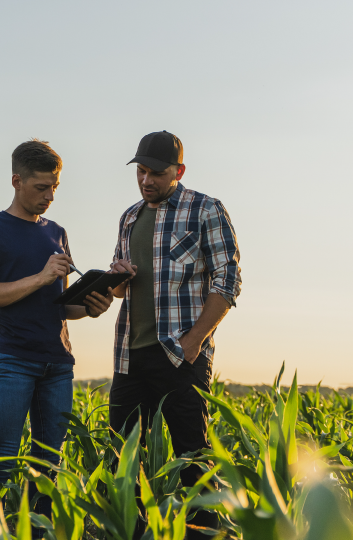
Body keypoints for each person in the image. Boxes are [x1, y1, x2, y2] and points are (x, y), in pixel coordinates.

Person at [108, 131, 241, 538]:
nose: (147, 181)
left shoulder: (205, 209)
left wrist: (194, 341)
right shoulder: (129, 217)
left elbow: (228, 279)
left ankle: (203, 534)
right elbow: (117, 289)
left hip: (181, 356)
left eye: (157, 173)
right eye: (141, 172)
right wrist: (116, 279)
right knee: (123, 461)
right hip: (130, 356)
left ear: (178, 172)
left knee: (193, 460)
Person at [0, 139, 116, 500]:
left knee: (49, 465)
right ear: (16, 181)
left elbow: (58, 305)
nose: (49, 195)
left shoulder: (57, 233)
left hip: (58, 364)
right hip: (13, 359)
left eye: (55, 187)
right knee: (2, 462)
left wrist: (93, 306)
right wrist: (42, 277)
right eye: (41, 187)